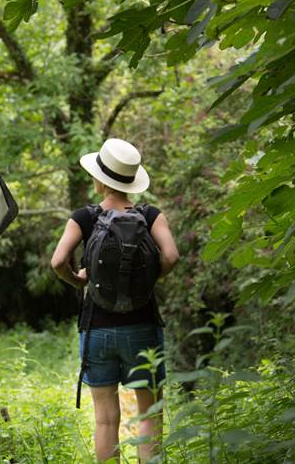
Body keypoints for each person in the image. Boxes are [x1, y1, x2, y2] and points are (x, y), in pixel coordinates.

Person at [51, 138, 179, 463]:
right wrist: (149, 279)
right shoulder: (150, 215)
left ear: (101, 179)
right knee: (150, 414)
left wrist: (80, 281)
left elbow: (56, 262)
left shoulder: (83, 217)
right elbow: (172, 256)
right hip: (143, 326)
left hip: (96, 327)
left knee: (106, 418)